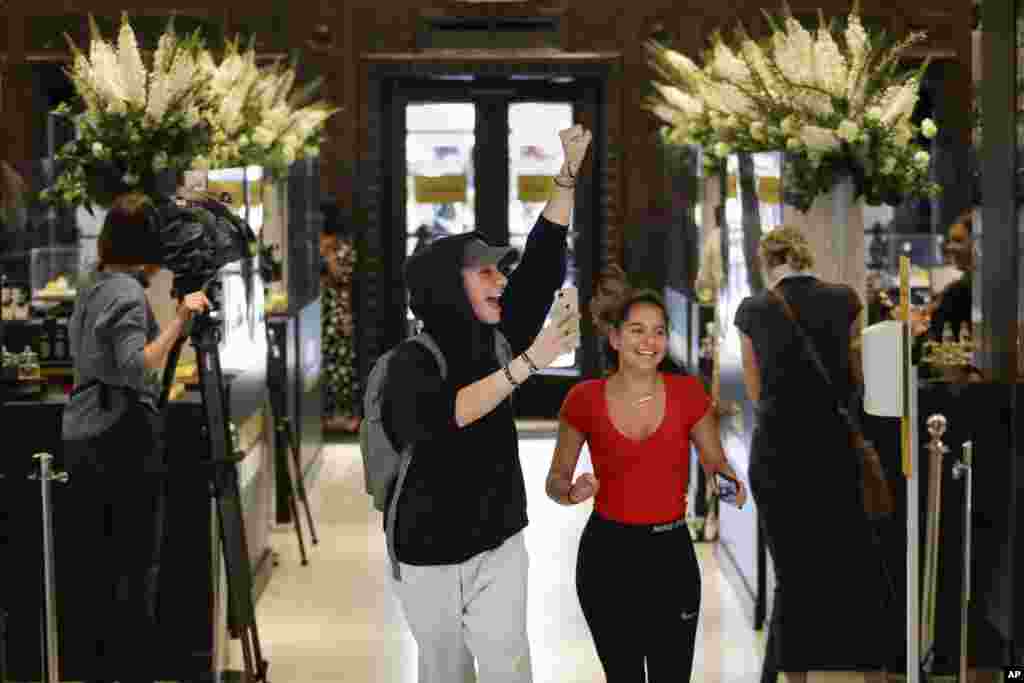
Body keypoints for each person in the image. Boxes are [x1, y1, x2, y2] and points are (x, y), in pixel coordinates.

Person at [381, 125, 590, 683]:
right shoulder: (411, 361)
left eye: (501, 270)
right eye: (487, 271)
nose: (502, 279)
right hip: (427, 547)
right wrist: (528, 364)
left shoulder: (500, 330)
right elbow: (440, 419)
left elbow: (544, 258)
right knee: (446, 672)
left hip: (499, 535)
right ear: (449, 287)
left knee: (509, 666)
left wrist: (567, 172)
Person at [546, 265, 746, 682]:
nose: (649, 341)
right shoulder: (583, 400)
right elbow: (555, 481)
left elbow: (715, 462)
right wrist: (572, 491)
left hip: (670, 556)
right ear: (616, 337)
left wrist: (729, 487)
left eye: (658, 331)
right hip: (607, 558)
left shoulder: (688, 394)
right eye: (637, 330)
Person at [61, 191, 210, 683]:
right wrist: (180, 322)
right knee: (135, 563)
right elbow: (135, 366)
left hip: (84, 430)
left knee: (98, 566)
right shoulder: (127, 293)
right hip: (122, 436)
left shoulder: (94, 286)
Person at [735, 226, 891, 683]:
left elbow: (754, 388)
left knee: (793, 574)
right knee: (856, 570)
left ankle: (793, 676)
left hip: (778, 456)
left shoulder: (754, 310)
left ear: (767, 262)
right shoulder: (845, 300)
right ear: (805, 257)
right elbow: (859, 378)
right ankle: (873, 675)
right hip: (835, 452)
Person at [320, 223, 360, 433]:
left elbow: (340, 277)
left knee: (342, 365)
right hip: (321, 310)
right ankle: (327, 415)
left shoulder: (343, 249)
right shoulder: (314, 247)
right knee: (324, 363)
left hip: (337, 311)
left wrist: (328, 256)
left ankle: (345, 415)